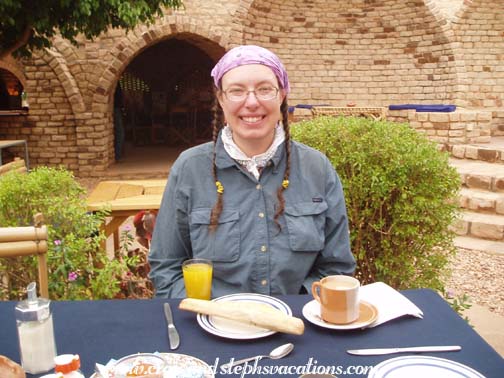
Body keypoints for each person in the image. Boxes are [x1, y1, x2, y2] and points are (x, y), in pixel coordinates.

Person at [149, 45, 355, 298]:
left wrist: (295, 310)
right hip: (214, 328)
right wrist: (210, 314)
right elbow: (167, 268)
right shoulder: (189, 169)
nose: (252, 102)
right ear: (221, 99)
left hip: (295, 325)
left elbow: (337, 268)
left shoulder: (317, 169)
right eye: (236, 91)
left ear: (282, 95)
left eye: (264, 89)